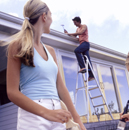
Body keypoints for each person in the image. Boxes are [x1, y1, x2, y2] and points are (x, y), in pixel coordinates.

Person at [6, 0, 86, 130]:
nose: (51, 19)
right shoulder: (17, 46)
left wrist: (77, 119)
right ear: (44, 16)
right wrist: (47, 113)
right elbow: (12, 92)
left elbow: (61, 87)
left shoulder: (51, 51)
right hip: (33, 116)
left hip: (58, 114)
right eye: (51, 15)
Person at [64, 16, 94, 81]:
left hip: (85, 44)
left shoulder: (84, 26)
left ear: (78, 21)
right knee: (87, 59)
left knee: (77, 51)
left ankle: (82, 67)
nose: (74, 24)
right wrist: (67, 34)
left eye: (75, 22)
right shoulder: (77, 29)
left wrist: (69, 33)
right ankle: (91, 75)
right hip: (82, 44)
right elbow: (75, 35)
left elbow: (80, 33)